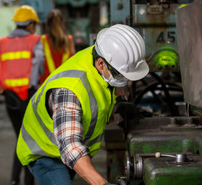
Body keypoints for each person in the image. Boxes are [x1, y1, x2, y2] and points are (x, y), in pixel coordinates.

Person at [16, 24, 149, 185]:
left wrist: (119, 103)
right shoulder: (70, 91)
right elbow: (70, 147)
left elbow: (106, 89)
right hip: (45, 151)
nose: (124, 81)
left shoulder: (100, 57)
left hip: (69, 145)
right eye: (120, 76)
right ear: (101, 63)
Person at [0, 5, 45, 185]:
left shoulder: (1, 43)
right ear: (31, 24)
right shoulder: (35, 40)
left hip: (10, 98)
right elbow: (39, 60)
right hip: (28, 95)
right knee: (29, 139)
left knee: (20, 138)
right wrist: (33, 81)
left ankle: (15, 179)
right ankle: (27, 181)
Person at [40, 9, 75, 84]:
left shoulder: (43, 40)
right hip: (65, 85)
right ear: (63, 23)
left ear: (48, 24)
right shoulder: (69, 40)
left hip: (47, 86)